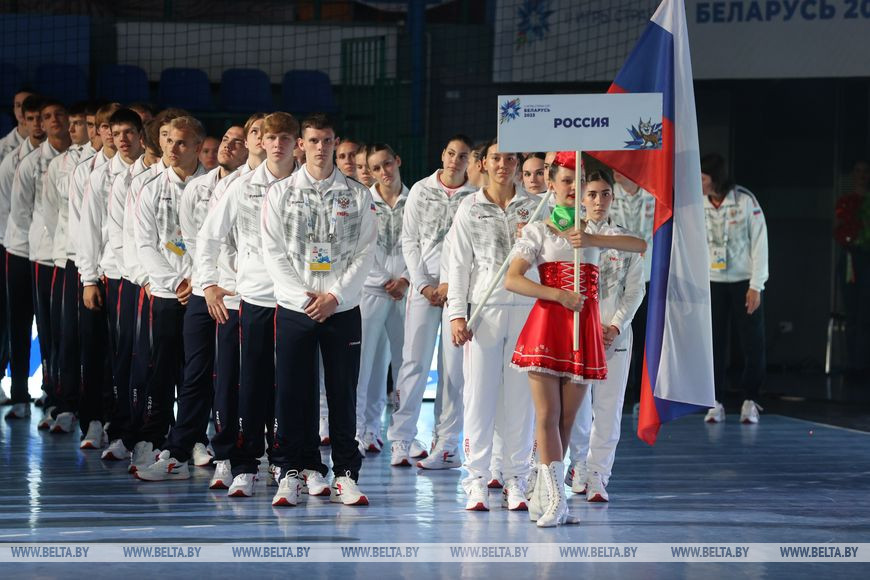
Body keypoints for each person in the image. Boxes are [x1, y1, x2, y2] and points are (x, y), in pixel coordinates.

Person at [505, 152, 645, 526]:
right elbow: (512, 279)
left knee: (568, 418)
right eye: (565, 181)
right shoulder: (538, 230)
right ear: (550, 186)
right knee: (547, 415)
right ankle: (555, 501)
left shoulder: (593, 233)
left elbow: (640, 245)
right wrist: (557, 295)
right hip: (548, 325)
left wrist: (593, 237)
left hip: (583, 332)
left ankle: (544, 492)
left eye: (578, 183)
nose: (572, 188)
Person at [261, 113, 377, 507]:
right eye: (313, 141)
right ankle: (290, 472)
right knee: (292, 393)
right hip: (296, 308)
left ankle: (345, 474)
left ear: (335, 143)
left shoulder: (359, 195)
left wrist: (335, 297)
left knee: (343, 393)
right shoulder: (279, 194)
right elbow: (272, 251)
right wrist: (303, 297)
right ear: (301, 145)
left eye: (327, 141)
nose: (321, 148)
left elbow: (364, 252)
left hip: (342, 309)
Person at [136, 125, 249, 481]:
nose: (229, 146)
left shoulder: (258, 186)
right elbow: (193, 241)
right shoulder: (197, 187)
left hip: (240, 293)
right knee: (194, 373)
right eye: (226, 139)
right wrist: (204, 283)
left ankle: (236, 455)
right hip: (204, 290)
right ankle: (179, 451)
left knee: (234, 376)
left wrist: (225, 283)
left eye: (239, 141)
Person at [197, 112, 297, 496]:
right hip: (253, 297)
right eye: (266, 136)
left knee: (291, 386)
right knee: (250, 384)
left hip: (296, 302)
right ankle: (244, 463)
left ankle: (288, 464)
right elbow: (209, 237)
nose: (274, 144)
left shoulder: (308, 185)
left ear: (294, 144)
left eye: (282, 137)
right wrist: (209, 283)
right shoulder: (241, 185)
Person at [447, 139, 539, 512]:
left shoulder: (537, 207)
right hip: (482, 314)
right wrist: (457, 313)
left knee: (520, 400)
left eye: (510, 158)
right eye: (496, 158)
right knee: (479, 398)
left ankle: (516, 477)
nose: (504, 164)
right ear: (483, 163)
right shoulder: (469, 207)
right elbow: (458, 265)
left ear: (518, 163)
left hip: (527, 312)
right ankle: (477, 479)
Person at [388, 134, 476, 469]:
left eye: (463, 155)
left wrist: (451, 285)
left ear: (471, 161)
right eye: (451, 153)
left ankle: (448, 443)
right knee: (413, 363)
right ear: (442, 154)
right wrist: (424, 284)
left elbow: (471, 251)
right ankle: (401, 439)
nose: (455, 160)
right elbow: (408, 240)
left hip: (459, 293)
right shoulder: (421, 190)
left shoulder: (475, 197)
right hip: (422, 292)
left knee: (455, 371)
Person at [132, 115, 206, 478]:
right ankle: (152, 434)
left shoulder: (213, 186)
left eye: (181, 143)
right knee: (161, 365)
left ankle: (195, 437)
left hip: (205, 291)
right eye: (169, 142)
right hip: (166, 291)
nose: (173, 149)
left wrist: (198, 279)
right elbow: (144, 243)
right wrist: (177, 281)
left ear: (197, 147)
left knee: (199, 368)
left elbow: (218, 241)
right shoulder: (148, 187)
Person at [566, 169, 645, 502]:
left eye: (605, 194)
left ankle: (599, 475)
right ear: (582, 198)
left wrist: (614, 326)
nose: (599, 201)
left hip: (615, 338)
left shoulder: (626, 240)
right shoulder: (568, 237)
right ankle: (579, 466)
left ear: (613, 198)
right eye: (592, 195)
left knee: (609, 410)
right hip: (575, 336)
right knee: (578, 410)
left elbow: (635, 290)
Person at [199, 112, 265, 490]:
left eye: (267, 133)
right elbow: (210, 239)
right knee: (227, 381)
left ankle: (271, 455)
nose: (260, 139)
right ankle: (225, 455)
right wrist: (210, 285)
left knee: (270, 383)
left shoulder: (293, 185)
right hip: (233, 299)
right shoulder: (232, 186)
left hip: (275, 303)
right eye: (254, 132)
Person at [78, 108, 144, 449]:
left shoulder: (153, 172)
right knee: (113, 355)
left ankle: (148, 431)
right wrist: (88, 279)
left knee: (145, 357)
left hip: (151, 280)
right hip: (115, 276)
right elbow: (87, 230)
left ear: (140, 134)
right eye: (116, 133)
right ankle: (111, 427)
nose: (122, 139)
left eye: (128, 132)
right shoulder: (99, 177)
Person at [35, 101, 92, 428]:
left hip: (102, 264)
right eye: (71, 123)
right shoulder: (60, 165)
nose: (73, 128)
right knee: (66, 334)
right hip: (69, 258)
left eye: (80, 123)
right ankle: (64, 403)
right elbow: (52, 213)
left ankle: (97, 410)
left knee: (98, 339)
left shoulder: (98, 163)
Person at [701, 153, 768, 424]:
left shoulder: (744, 200)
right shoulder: (698, 204)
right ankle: (715, 401)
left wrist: (756, 285)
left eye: (703, 178)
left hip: (743, 282)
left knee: (751, 342)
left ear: (715, 179)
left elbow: (760, 243)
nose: (699, 183)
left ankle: (750, 399)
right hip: (712, 281)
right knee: (713, 344)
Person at [355, 143, 408, 453]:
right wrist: (383, 279)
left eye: (387, 164)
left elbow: (423, 244)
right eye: (375, 168)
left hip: (406, 292)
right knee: (365, 366)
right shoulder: (363, 201)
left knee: (404, 365)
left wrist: (405, 279)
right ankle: (361, 429)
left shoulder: (416, 199)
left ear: (397, 160)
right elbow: (357, 248)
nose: (383, 172)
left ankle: (399, 435)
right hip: (371, 292)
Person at [2, 94, 48, 420]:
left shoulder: (64, 160)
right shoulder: (9, 159)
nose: (35, 123)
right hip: (17, 250)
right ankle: (19, 392)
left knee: (51, 327)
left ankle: (53, 393)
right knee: (16, 323)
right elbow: (10, 212)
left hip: (51, 256)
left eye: (40, 118)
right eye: (29, 117)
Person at [605, 170, 655, 418]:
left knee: (645, 342)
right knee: (613, 337)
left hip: (647, 278)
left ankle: (640, 398)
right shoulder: (606, 196)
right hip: (613, 280)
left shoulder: (654, 197)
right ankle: (616, 397)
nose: (618, 169)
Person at [0, 88, 33, 406]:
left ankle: (48, 393)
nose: (25, 113)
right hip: (9, 245)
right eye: (20, 107)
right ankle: (7, 384)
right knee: (7, 320)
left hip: (44, 251)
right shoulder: (5, 152)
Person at [834, 159, 870, 375]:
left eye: (865, 171)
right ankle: (853, 364)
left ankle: (864, 363)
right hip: (851, 259)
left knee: (865, 311)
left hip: (867, 256)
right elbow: (837, 229)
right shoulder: (845, 201)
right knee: (852, 311)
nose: (861, 175)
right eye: (858, 171)